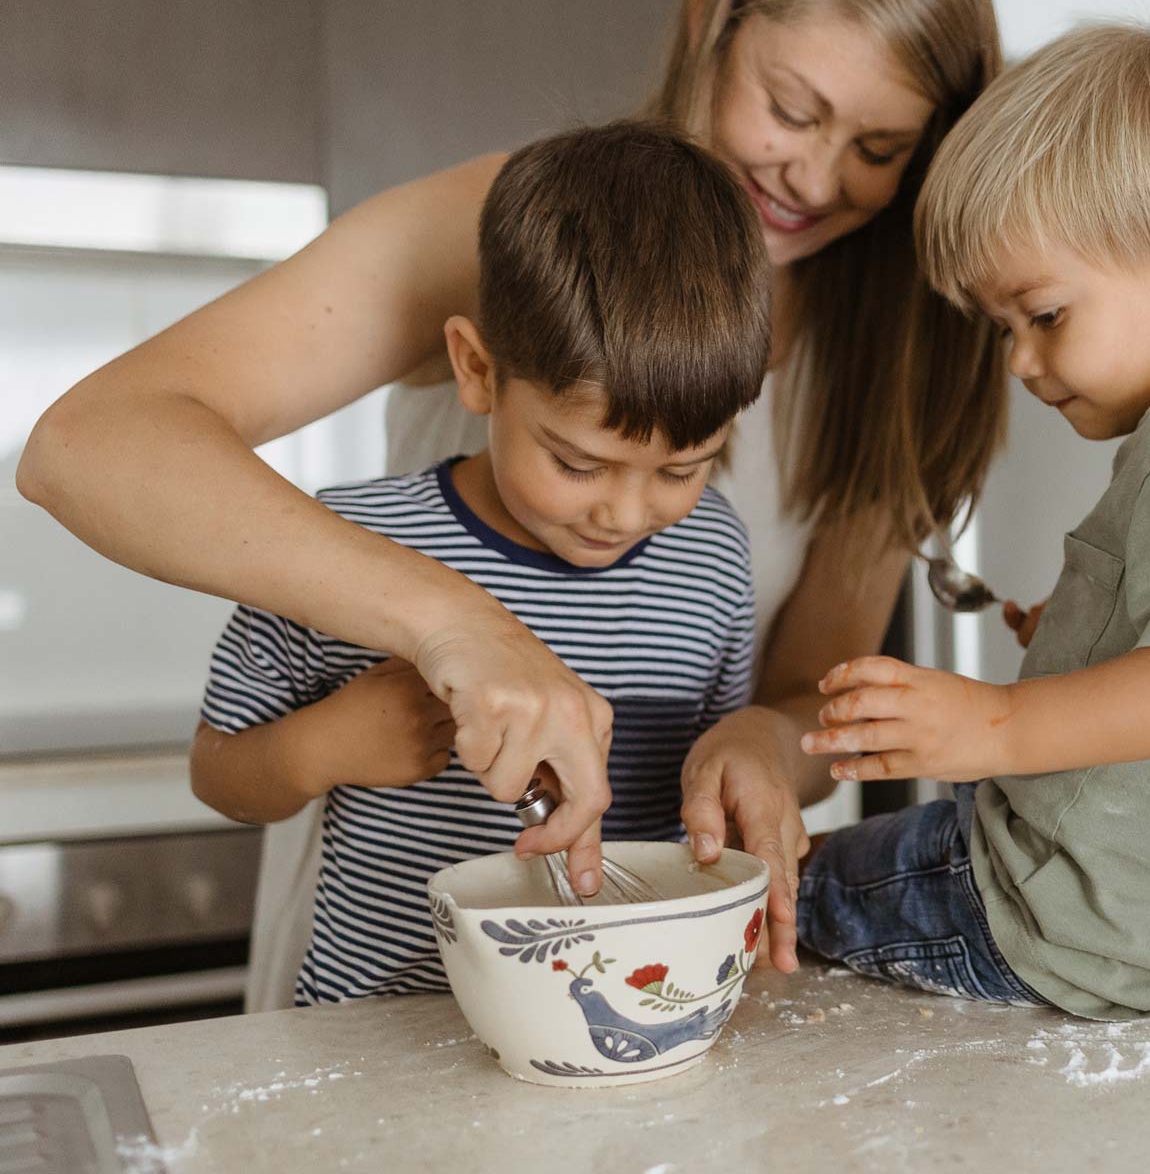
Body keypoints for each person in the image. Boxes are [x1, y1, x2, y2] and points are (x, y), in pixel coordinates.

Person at [15, 0, 1005, 1007]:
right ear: (709, 12)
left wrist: (767, 740)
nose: (812, 175)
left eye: (879, 150)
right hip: (391, 969)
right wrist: (457, 625)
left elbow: (810, 685)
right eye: (791, 109)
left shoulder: (903, 346)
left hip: (647, 960)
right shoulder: (504, 230)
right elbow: (86, 446)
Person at [796, 24, 1150, 1019]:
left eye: (1043, 314)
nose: (1018, 362)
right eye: (1003, 330)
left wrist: (996, 722)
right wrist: (1087, 623)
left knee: (795, 886)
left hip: (1049, 915)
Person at [193, 121, 767, 1004]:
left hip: (606, 1025)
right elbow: (220, 776)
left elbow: (711, 784)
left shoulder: (713, 555)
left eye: (684, 469)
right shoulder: (342, 549)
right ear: (477, 370)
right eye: (578, 463)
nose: (625, 512)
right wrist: (326, 745)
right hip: (373, 1046)